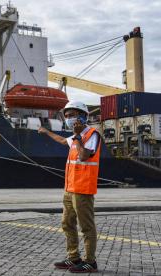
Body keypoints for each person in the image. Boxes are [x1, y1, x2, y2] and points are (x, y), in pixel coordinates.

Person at [38, 100, 101, 273]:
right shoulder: (75, 136)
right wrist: (46, 132)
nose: (68, 119)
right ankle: (73, 257)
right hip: (70, 188)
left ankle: (90, 262)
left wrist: (79, 136)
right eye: (66, 116)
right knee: (67, 223)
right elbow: (61, 140)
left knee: (86, 226)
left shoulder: (92, 135)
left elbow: (83, 156)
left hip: (83, 189)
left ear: (83, 116)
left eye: (72, 115)